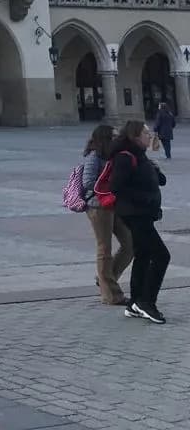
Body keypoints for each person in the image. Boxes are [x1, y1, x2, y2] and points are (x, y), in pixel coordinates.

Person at [109, 120, 170, 323]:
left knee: (143, 254)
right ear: (135, 136)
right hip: (135, 214)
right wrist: (144, 198)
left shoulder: (140, 155)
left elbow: (157, 181)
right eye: (145, 133)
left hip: (143, 213)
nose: (149, 135)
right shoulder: (124, 157)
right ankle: (147, 302)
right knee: (162, 256)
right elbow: (116, 187)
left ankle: (135, 302)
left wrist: (157, 173)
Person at [80, 124, 132, 305]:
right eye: (113, 137)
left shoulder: (114, 155)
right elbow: (87, 182)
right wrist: (110, 183)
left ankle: (106, 279)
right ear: (104, 139)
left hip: (114, 204)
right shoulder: (94, 156)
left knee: (130, 243)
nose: (117, 139)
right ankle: (111, 294)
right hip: (98, 207)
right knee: (105, 249)